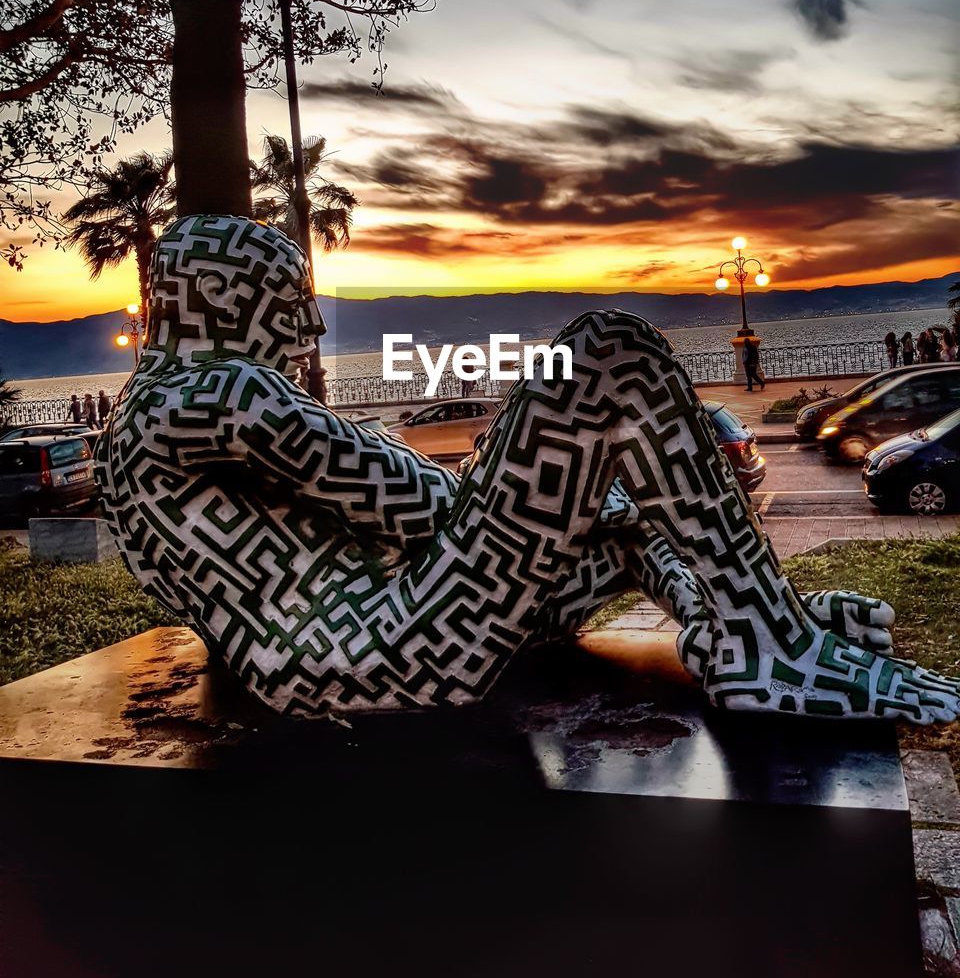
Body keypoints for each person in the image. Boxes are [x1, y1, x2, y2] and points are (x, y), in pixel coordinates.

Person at [94, 214, 960, 725]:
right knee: (610, 353)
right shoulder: (216, 390)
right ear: (228, 302)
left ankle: (741, 623)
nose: (311, 335)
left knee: (607, 511)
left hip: (368, 637)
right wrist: (589, 494)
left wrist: (591, 503)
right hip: (369, 651)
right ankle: (765, 644)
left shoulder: (144, 418)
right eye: (292, 309)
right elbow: (429, 505)